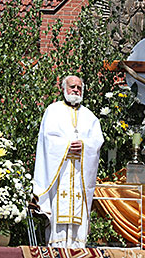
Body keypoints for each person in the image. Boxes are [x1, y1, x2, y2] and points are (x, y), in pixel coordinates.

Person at [33, 75, 104, 248]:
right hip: (60, 171)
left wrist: (84, 145)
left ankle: (77, 248)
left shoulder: (89, 116)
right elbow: (47, 139)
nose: (76, 90)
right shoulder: (53, 110)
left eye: (79, 88)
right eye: (72, 87)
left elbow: (97, 141)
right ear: (63, 88)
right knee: (58, 208)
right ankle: (57, 247)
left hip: (80, 172)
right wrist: (66, 146)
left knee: (78, 210)